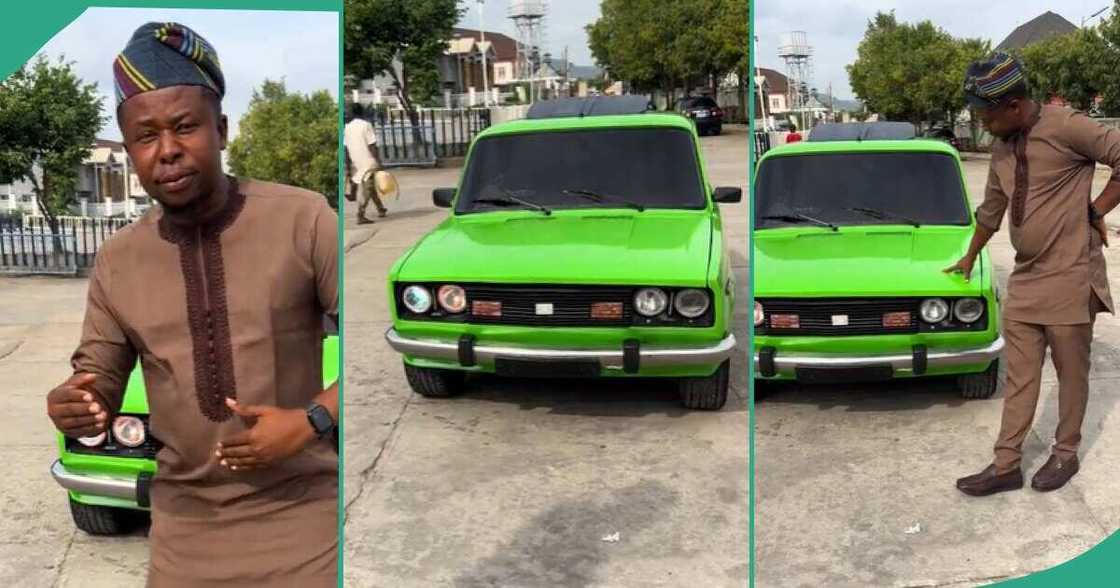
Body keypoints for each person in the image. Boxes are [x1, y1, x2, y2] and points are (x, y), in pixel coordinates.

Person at [44, 22, 339, 586]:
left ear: (221, 128)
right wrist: (76, 402)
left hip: (304, 520)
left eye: (184, 127)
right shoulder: (118, 260)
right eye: (146, 137)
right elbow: (97, 374)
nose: (168, 151)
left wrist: (311, 420)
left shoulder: (303, 220)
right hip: (184, 530)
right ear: (130, 150)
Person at [947, 53, 1119, 497]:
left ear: (1014, 106)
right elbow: (991, 210)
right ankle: (1006, 464)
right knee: (1020, 376)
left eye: (986, 114)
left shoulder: (1067, 127)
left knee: (1071, 373)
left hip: (1070, 274)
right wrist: (969, 257)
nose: (981, 123)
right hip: (1026, 280)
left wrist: (1096, 208)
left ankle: (1065, 451)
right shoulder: (1002, 147)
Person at [344, 102, 387, 224]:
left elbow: (346, 149)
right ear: (362, 112)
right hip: (368, 161)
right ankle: (360, 214)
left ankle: (380, 208)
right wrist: (378, 162)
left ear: (352, 113)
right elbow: (372, 145)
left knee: (370, 186)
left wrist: (347, 167)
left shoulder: (347, 127)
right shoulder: (366, 125)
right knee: (368, 189)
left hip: (356, 162)